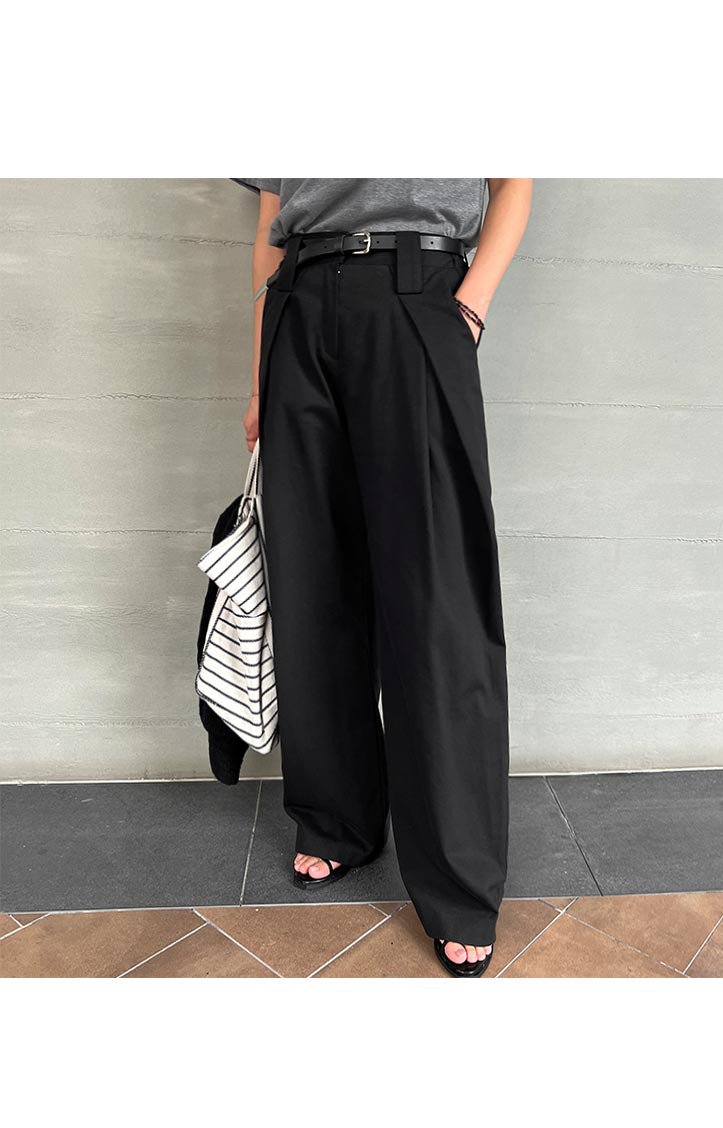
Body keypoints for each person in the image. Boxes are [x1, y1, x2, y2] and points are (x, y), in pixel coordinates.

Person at [233, 178, 533, 977]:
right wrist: (260, 372)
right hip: (298, 301)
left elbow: (515, 178)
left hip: (417, 291)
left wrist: (468, 309)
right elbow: (270, 219)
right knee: (313, 585)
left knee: (439, 601)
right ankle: (338, 820)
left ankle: (460, 880)